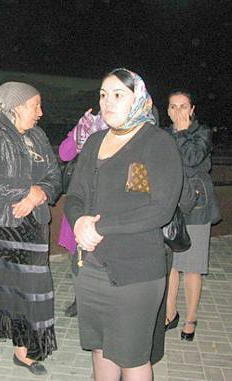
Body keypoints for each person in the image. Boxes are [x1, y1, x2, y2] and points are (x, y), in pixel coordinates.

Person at [65, 68, 183, 381]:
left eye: (118, 94)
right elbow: (74, 195)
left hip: (136, 272)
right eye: (103, 95)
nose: (108, 102)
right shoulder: (94, 142)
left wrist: (99, 227)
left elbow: (160, 210)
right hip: (91, 268)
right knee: (101, 350)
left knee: (131, 357)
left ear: (139, 98)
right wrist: (78, 223)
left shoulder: (156, 143)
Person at [0, 82, 61, 375]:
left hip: (32, 226)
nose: (40, 113)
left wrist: (39, 194)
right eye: (36, 106)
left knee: (29, 290)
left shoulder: (39, 136)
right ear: (17, 107)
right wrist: (25, 192)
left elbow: (55, 175)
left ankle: (24, 351)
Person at [165, 90, 221, 341]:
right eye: (173, 107)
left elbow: (191, 158)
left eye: (183, 106)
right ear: (167, 110)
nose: (178, 111)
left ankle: (191, 318)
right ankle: (170, 313)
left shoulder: (202, 132)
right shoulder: (164, 134)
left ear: (192, 109)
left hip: (197, 206)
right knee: (170, 266)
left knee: (192, 267)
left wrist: (184, 131)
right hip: (170, 206)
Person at [58, 109, 107, 317]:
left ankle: (102, 300)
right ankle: (81, 299)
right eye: (104, 96)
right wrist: (80, 128)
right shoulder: (88, 126)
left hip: (107, 201)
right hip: (82, 198)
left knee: (103, 256)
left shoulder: (124, 131)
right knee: (77, 254)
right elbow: (64, 154)